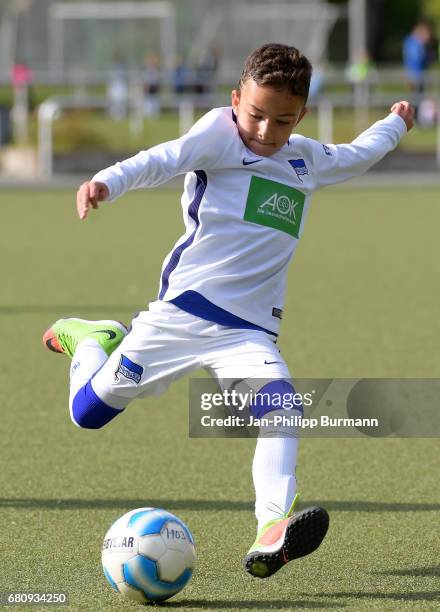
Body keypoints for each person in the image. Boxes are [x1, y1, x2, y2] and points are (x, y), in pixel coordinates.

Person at [43, 43, 414, 579]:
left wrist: (395, 123)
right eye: (256, 114)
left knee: (283, 413)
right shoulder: (216, 135)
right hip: (182, 314)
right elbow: (160, 160)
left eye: (283, 120)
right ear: (236, 99)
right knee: (87, 413)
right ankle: (94, 337)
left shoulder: (304, 160)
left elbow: (359, 153)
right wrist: (108, 181)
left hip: (247, 332)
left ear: (301, 115)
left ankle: (272, 529)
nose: (266, 130)